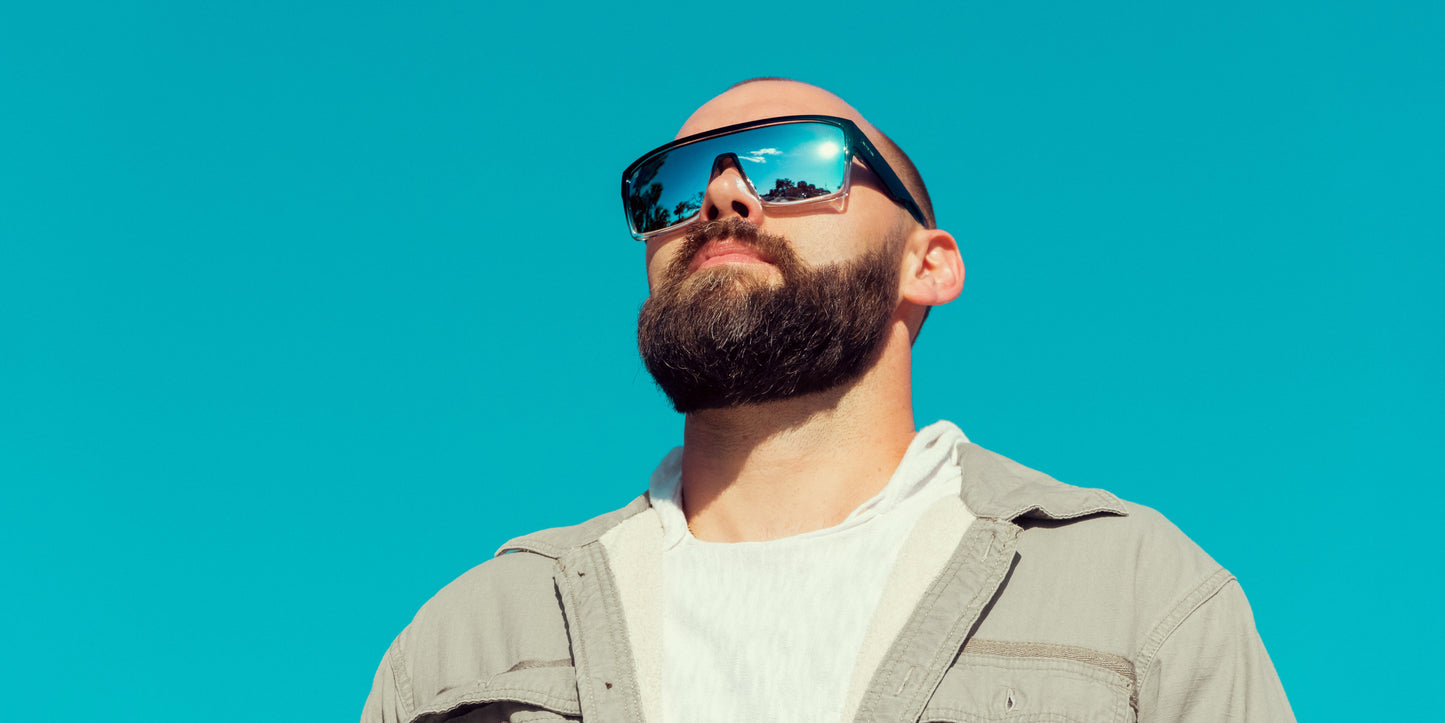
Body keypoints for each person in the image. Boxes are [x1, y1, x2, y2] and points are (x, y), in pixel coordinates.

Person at [362, 79, 1295, 723]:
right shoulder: (470, 640)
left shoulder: (1137, 599)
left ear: (927, 264)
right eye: (675, 185)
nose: (724, 196)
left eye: (793, 163)